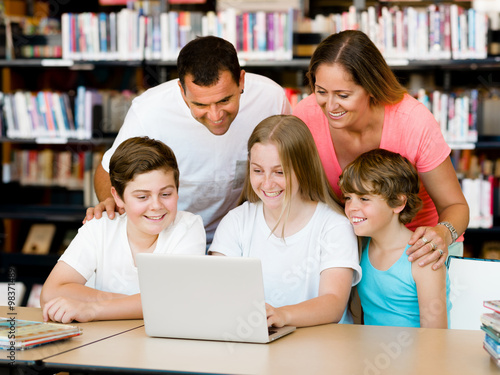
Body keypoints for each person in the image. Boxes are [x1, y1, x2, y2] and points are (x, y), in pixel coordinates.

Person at [87, 36, 291, 245]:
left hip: (242, 235)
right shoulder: (149, 110)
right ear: (182, 91)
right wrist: (111, 202)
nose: (215, 115)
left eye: (224, 100)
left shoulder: (271, 98)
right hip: (169, 236)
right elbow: (108, 170)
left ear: (241, 80)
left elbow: (293, 162)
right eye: (200, 104)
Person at [292, 30, 469, 269]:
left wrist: (442, 234)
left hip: (420, 247)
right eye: (321, 91)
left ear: (371, 87)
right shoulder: (306, 116)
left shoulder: (413, 121)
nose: (330, 106)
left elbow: (455, 207)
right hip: (351, 244)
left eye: (343, 95)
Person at [209, 115, 361, 327]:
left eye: (279, 172)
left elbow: (333, 303)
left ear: (304, 168)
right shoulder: (237, 221)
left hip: (323, 348)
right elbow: (217, 291)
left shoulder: (334, 226)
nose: (268, 183)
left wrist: (282, 316)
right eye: (258, 171)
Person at [40, 137, 206, 323]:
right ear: (118, 197)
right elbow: (51, 293)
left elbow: (178, 301)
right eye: (142, 197)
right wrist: (143, 304)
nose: (156, 205)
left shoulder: (188, 228)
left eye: (166, 194)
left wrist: (93, 309)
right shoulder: (100, 226)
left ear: (177, 189)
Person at [339, 149, 450, 328]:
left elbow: (435, 337)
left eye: (364, 198)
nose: (352, 207)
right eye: (348, 198)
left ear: (398, 202)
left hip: (421, 355)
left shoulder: (423, 256)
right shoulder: (359, 247)